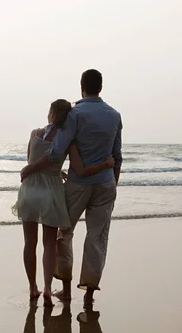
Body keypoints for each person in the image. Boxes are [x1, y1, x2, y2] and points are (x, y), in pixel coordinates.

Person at [20, 69, 122, 305]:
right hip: (106, 183)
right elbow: (117, 156)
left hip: (79, 184)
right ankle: (88, 294)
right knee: (97, 238)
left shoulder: (75, 113)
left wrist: (33, 167)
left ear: (81, 86)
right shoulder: (115, 115)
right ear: (101, 87)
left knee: (63, 234)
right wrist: (112, 186)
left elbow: (56, 150)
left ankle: (65, 289)